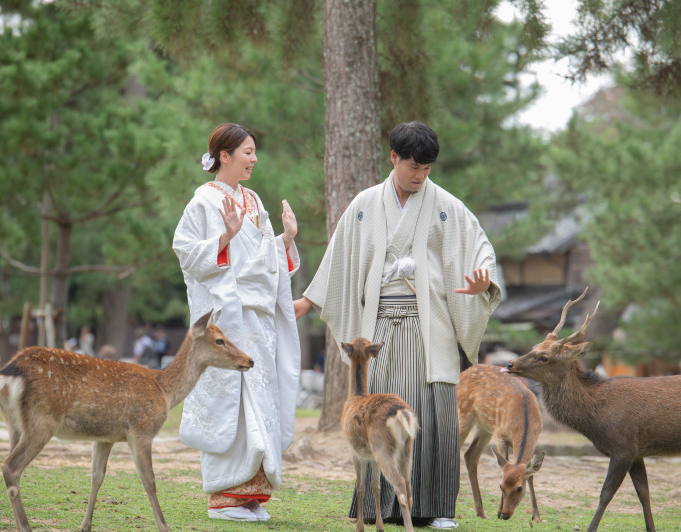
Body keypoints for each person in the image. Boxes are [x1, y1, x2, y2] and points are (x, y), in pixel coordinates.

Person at [294, 121, 503, 529]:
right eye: (413, 166)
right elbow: (339, 258)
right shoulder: (365, 205)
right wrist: (308, 299)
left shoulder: (447, 206)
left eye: (427, 168)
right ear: (394, 158)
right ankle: (381, 506)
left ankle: (436, 507)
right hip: (378, 326)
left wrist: (484, 281)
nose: (420, 175)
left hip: (430, 324)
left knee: (433, 411)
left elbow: (480, 248)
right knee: (377, 413)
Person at [173, 123, 302, 522]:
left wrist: (286, 239)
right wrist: (224, 238)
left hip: (258, 320)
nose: (254, 159)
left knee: (260, 399)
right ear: (224, 155)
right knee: (231, 400)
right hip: (228, 320)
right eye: (247, 152)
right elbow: (186, 253)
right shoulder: (202, 202)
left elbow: (263, 259)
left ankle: (251, 495)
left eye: (254, 151)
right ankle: (224, 497)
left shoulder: (253, 199)